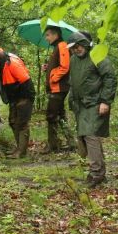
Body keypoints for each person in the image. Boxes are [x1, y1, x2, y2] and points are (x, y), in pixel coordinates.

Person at [66, 32, 117, 187]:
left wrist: (105, 101)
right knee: (85, 136)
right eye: (73, 47)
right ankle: (99, 171)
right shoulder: (74, 59)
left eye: (78, 46)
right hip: (80, 104)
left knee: (91, 135)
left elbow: (110, 78)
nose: (76, 49)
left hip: (95, 103)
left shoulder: (97, 56)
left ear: (85, 43)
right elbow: (73, 81)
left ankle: (96, 174)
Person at [0, 51, 35, 158]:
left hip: (24, 96)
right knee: (13, 122)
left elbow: (26, 81)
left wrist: (23, 101)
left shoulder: (12, 63)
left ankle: (21, 152)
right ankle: (19, 148)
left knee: (22, 123)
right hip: (14, 97)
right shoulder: (0, 63)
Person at [41, 25, 73, 153]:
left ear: (55, 35)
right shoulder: (57, 47)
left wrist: (53, 77)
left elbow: (65, 66)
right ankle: (72, 142)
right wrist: (48, 67)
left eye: (48, 35)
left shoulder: (62, 45)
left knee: (51, 115)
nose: (46, 37)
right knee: (60, 114)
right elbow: (58, 65)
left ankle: (52, 145)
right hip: (57, 87)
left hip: (59, 87)